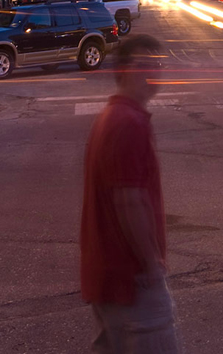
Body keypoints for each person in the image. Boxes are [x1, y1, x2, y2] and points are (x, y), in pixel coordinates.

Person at [80, 34, 180, 353]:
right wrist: (151, 265)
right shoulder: (127, 123)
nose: (152, 72)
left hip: (109, 277)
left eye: (157, 65)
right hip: (131, 281)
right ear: (123, 70)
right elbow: (129, 200)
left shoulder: (113, 116)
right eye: (143, 65)